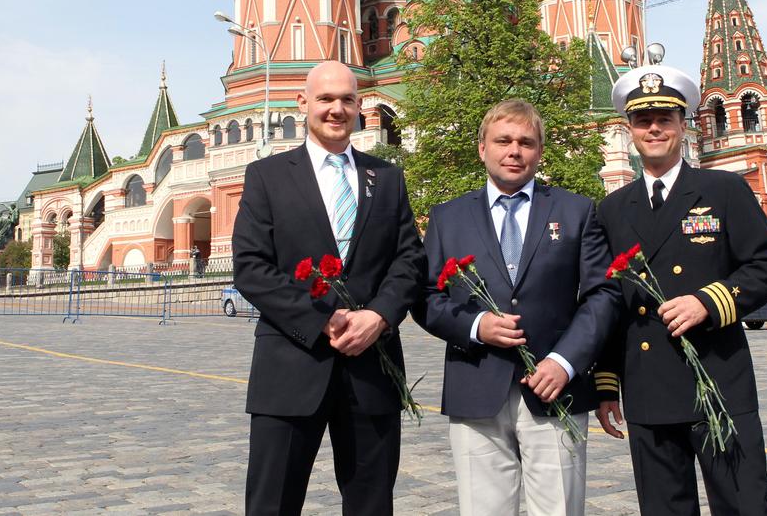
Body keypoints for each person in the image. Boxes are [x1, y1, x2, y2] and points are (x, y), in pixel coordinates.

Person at [232, 61, 426, 516]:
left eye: (347, 100)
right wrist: (322, 319)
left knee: (371, 504)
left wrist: (378, 316)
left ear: (360, 106)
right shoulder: (268, 176)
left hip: (372, 369)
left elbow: (409, 259)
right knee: (272, 504)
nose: (337, 109)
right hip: (291, 368)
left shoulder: (388, 177)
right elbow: (251, 267)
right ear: (303, 104)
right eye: (326, 99)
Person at [593, 65, 767, 516]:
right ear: (630, 130)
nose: (655, 128)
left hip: (718, 381)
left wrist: (708, 301)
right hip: (648, 386)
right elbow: (609, 302)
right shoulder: (613, 209)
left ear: (684, 125)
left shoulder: (723, 190)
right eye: (644, 121)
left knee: (744, 506)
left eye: (666, 118)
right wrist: (606, 385)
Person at [418, 99, 619, 516]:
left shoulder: (576, 211)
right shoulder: (447, 217)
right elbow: (424, 297)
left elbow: (603, 294)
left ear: (539, 151)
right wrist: (475, 326)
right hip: (476, 386)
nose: (515, 150)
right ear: (482, 149)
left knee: (559, 509)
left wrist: (565, 362)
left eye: (526, 142)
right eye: (503, 140)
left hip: (555, 389)